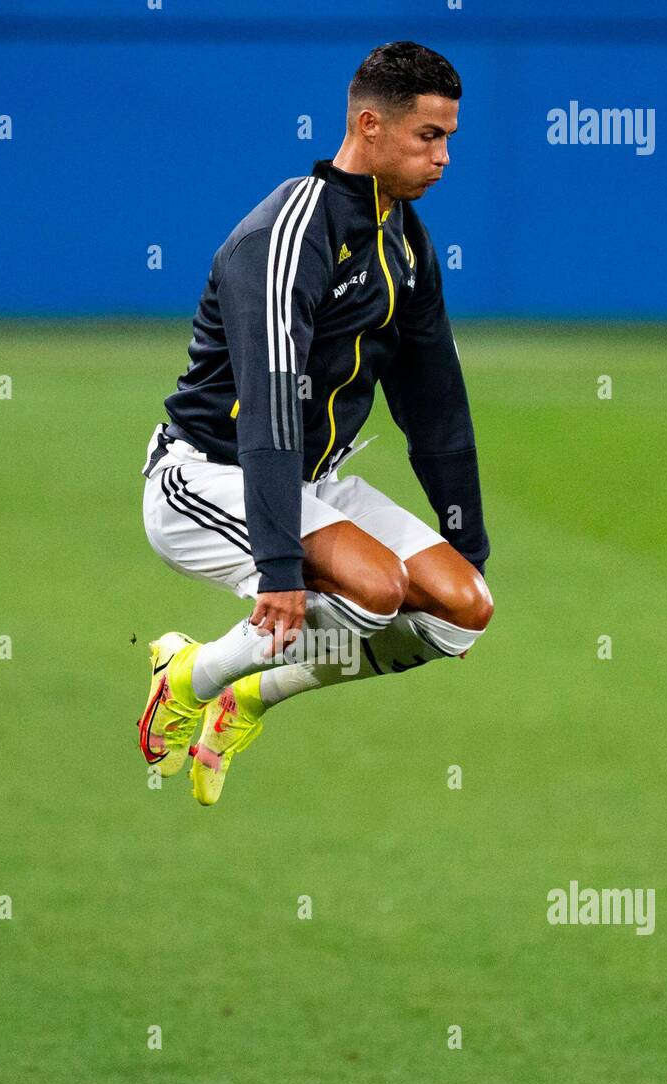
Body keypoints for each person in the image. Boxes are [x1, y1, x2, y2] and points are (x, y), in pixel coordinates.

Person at [138, 40, 493, 805]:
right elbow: (268, 403)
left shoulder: (405, 242)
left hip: (310, 482)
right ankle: (188, 674)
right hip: (204, 475)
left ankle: (249, 698)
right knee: (374, 590)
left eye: (449, 139)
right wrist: (278, 568)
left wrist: (467, 544)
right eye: (428, 137)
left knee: (461, 610)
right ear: (370, 126)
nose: (443, 158)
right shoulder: (289, 231)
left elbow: (436, 405)